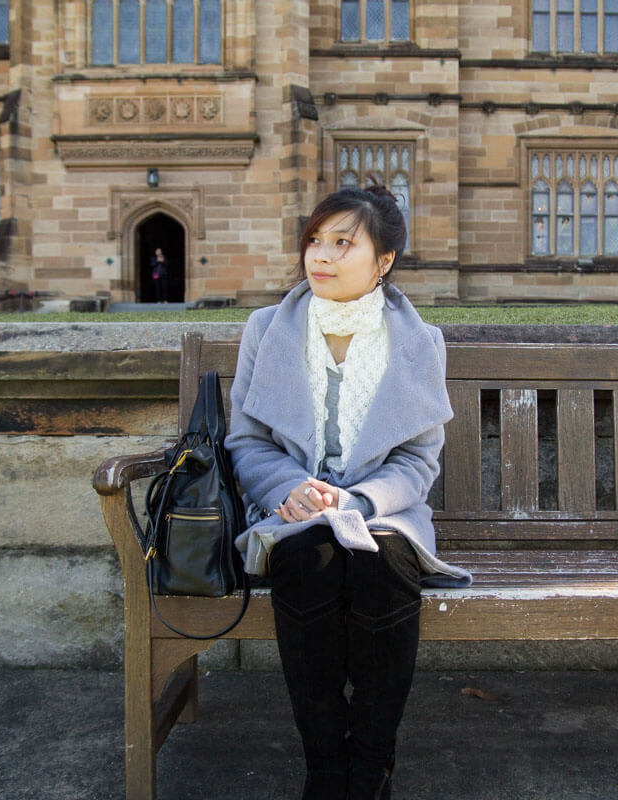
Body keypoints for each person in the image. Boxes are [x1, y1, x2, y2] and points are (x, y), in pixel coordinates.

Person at [225, 184, 471, 800]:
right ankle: (325, 770)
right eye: (314, 240)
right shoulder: (267, 330)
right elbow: (246, 443)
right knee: (309, 556)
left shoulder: (419, 342)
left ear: (383, 261)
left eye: (342, 243)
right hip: (289, 510)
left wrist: (356, 503)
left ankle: (370, 770)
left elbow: (417, 461)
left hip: (383, 512)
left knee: (381, 560)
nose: (321, 256)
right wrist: (288, 488)